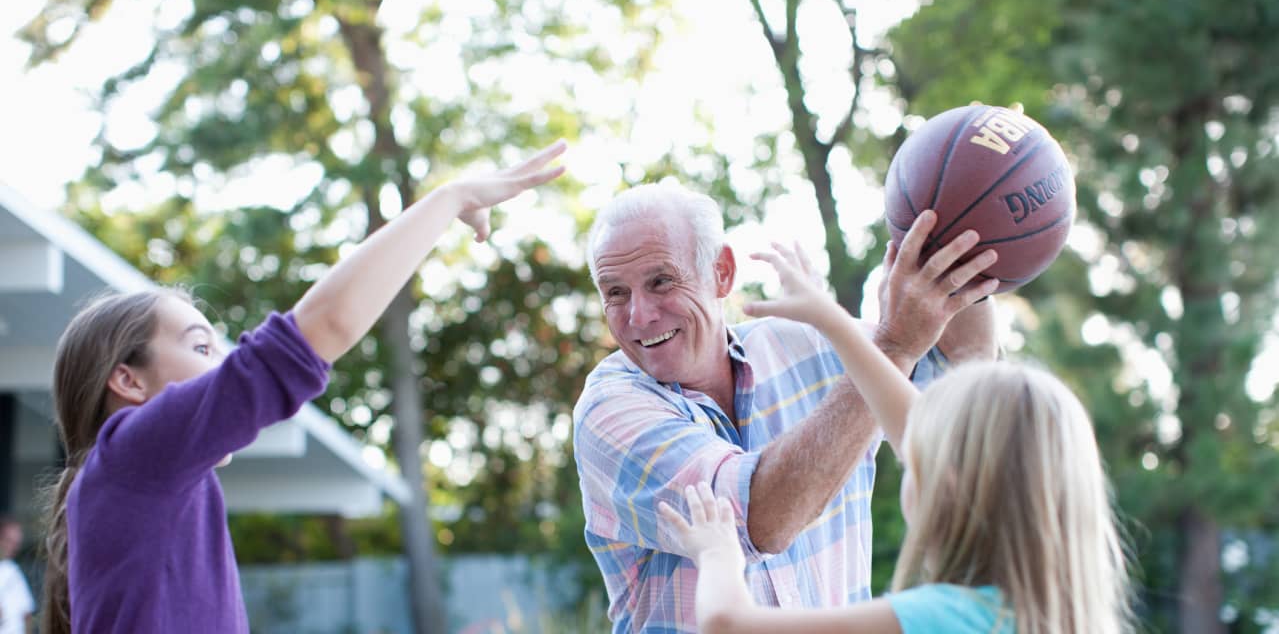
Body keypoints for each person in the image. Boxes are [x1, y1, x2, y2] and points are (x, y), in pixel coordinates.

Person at [37, 141, 566, 634]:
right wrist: (451, 197)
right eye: (201, 348)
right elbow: (321, 328)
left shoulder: (152, 485)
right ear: (127, 380)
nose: (222, 367)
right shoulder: (132, 454)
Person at [572, 181, 1000, 632]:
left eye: (660, 281)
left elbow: (958, 375)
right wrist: (891, 350)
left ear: (721, 272)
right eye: (615, 293)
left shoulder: (809, 345)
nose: (639, 315)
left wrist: (961, 213)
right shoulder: (611, 410)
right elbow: (760, 520)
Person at [658, 242, 1133, 634]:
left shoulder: (947, 616)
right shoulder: (1062, 614)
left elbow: (728, 624)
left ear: (948, 486)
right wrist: (830, 320)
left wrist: (719, 551)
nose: (907, 449)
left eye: (913, 462)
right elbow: (919, 424)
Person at [0, 517, 33, 634]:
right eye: (9, 541)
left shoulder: (12, 570)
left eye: (17, 543)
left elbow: (27, 614)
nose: (14, 547)